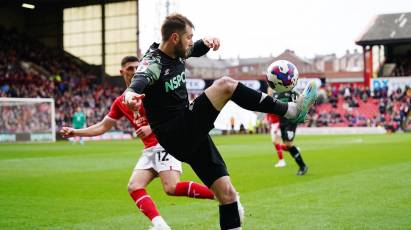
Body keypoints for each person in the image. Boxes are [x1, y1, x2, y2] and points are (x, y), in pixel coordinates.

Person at [124, 13, 317, 230]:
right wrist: (131, 94)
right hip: (176, 131)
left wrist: (205, 44)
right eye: (189, 37)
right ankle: (291, 111)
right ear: (175, 38)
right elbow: (140, 80)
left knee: (228, 195)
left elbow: (192, 49)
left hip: (190, 135)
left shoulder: (177, 52)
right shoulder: (153, 63)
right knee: (225, 85)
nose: (191, 41)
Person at [60, 56, 217, 230]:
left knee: (171, 188)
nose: (134, 71)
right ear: (122, 72)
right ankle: (160, 225)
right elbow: (103, 126)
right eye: (130, 69)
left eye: (137, 68)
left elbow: (177, 113)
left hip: (166, 142)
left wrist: (151, 127)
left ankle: (222, 195)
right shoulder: (120, 102)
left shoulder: (152, 91)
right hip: (149, 149)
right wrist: (75, 132)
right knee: (134, 186)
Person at [272, 89, 309, 175]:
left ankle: (302, 166)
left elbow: (301, 105)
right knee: (287, 145)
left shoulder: (292, 93)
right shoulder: (276, 94)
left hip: (291, 122)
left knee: (288, 144)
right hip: (282, 122)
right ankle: (298, 156)